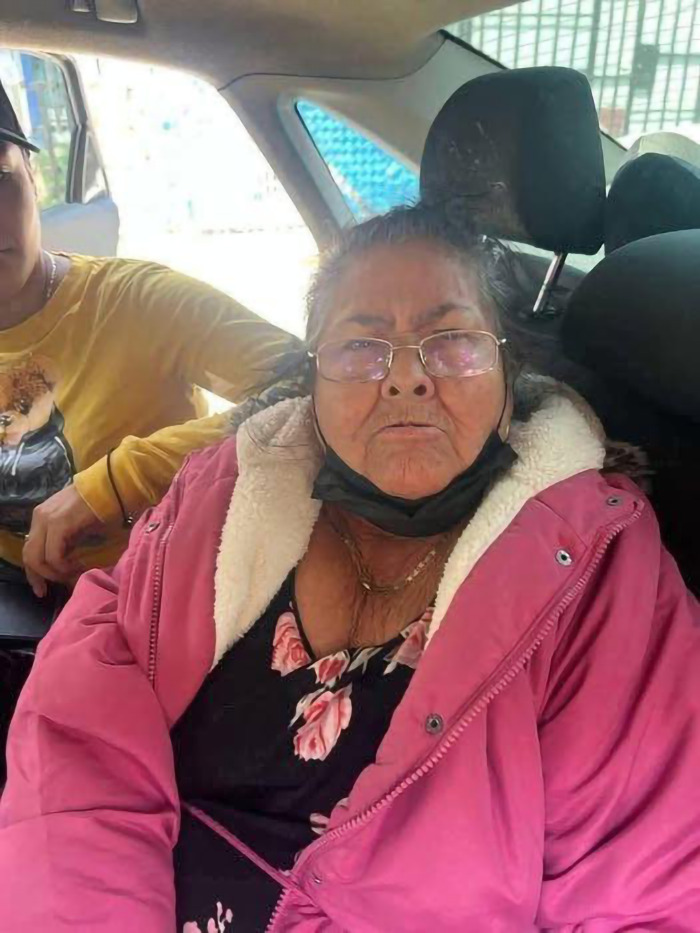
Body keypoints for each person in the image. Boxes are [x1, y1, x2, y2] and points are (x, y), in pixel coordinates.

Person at [2, 205, 699, 932]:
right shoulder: (224, 495)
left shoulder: (594, 573)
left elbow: (654, 893)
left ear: (508, 373)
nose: (406, 379)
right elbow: (80, 728)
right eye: (361, 347)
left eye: (451, 341)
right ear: (313, 380)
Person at [0, 79, 301, 596]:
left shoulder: (135, 301)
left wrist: (119, 482)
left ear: (32, 175)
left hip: (155, 599)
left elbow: (317, 385)